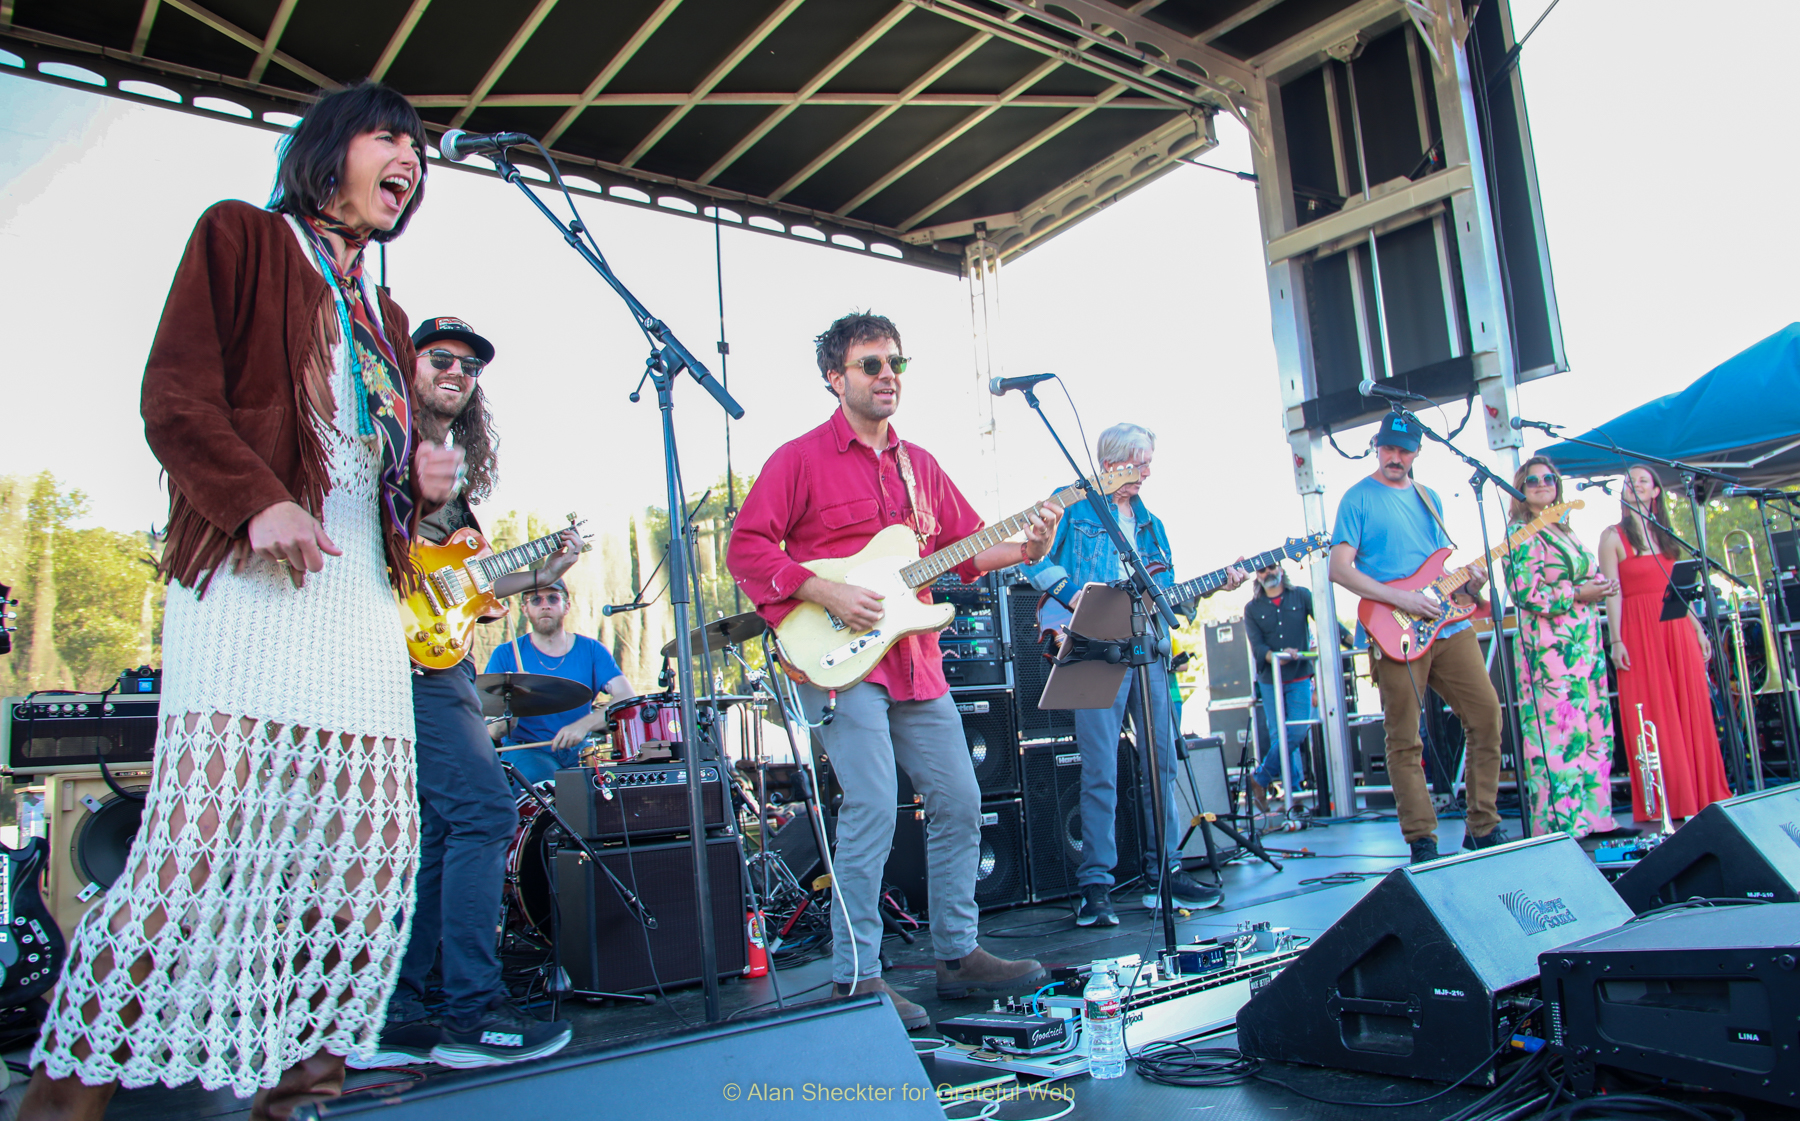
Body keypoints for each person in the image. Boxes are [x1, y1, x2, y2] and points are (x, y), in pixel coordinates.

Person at [25, 82, 461, 1121]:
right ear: (326, 152)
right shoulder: (241, 238)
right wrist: (257, 500)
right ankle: (59, 1102)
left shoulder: (384, 312)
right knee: (198, 852)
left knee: (362, 868)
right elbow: (172, 400)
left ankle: (296, 1094)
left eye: (419, 149)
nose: (410, 156)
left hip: (355, 598)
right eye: (388, 136)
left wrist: (420, 491)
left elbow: (368, 468)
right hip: (253, 588)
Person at [726, 312, 1057, 1030]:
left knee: (962, 800)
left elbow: (967, 551)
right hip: (840, 662)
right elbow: (747, 550)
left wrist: (1027, 547)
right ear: (834, 377)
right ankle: (857, 976)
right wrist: (824, 589)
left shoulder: (921, 467)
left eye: (895, 364)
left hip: (915, 660)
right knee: (874, 804)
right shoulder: (800, 458)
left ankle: (958, 952)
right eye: (871, 363)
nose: (886, 375)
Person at [358, 317, 576, 1071]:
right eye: (440, 357)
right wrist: (403, 482)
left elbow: (470, 583)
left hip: (440, 657)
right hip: (400, 659)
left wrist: (545, 567)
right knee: (484, 810)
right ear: (406, 364)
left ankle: (398, 1012)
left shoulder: (454, 478)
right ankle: (471, 1013)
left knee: (446, 831)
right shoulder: (380, 435)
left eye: (470, 365)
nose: (458, 370)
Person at [1023, 423, 1245, 927]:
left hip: (1148, 653)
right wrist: (1072, 595)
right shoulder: (1073, 508)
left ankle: (1162, 874)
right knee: (1099, 769)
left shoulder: (1152, 525)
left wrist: (1217, 586)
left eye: (1148, 463)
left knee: (1160, 767)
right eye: (1137, 463)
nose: (1146, 472)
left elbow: (1166, 596)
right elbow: (1031, 562)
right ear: (1111, 462)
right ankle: (1096, 887)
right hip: (1093, 650)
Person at [1328, 412, 1505, 864]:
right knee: (1404, 737)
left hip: (1447, 625)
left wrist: (1472, 585)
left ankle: (1483, 826)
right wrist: (1400, 598)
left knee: (1486, 717)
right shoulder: (1357, 498)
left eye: (1404, 450)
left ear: (1417, 454)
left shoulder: (1430, 499)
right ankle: (1422, 840)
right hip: (1395, 629)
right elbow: (1338, 569)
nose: (1394, 457)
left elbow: (1440, 572)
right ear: (1376, 445)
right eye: (1388, 448)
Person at [1597, 464, 1731, 822]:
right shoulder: (1612, 536)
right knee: (1653, 714)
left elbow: (1678, 590)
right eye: (1629, 480)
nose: (1635, 484)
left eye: (1643, 480)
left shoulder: (1667, 535)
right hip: (1639, 629)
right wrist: (1616, 639)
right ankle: (1669, 805)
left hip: (1676, 627)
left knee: (1692, 709)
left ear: (1656, 491)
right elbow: (1614, 593)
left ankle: (1703, 796)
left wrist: (1698, 629)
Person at [1504, 457, 1619, 838]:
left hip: (1584, 644)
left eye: (1548, 478)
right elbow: (1526, 592)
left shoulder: (1565, 529)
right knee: (1559, 732)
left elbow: (1586, 576)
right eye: (1532, 479)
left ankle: (1595, 817)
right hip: (1549, 651)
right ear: (1521, 488)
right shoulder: (1521, 532)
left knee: (1593, 728)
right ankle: (1560, 825)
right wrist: (1579, 593)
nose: (1541, 484)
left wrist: (1601, 588)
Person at [484, 581, 636, 787]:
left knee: (613, 789)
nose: (545, 605)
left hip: (580, 753)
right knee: (553, 785)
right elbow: (494, 732)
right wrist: (515, 700)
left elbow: (626, 697)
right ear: (525, 609)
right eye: (536, 600)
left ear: (566, 606)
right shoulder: (505, 654)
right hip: (527, 752)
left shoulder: (592, 650)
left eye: (553, 598)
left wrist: (584, 725)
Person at [1244, 562, 1349, 812]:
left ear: (1280, 568)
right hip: (1271, 680)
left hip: (1300, 676)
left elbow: (1326, 622)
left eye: (1271, 567)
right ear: (1257, 577)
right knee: (1279, 735)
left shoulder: (1301, 595)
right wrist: (1278, 656)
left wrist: (1350, 640)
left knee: (1297, 733)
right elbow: (1257, 646)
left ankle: (1259, 779)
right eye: (1261, 570)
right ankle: (1293, 794)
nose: (1268, 573)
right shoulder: (1252, 608)